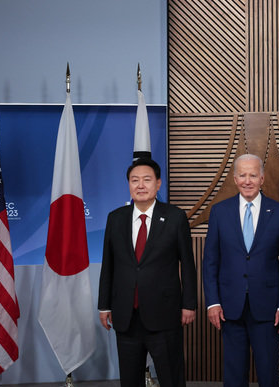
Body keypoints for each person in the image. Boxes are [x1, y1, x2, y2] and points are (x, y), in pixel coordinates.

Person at [98, 157, 196, 387]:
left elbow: (188, 264)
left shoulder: (175, 217)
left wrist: (188, 304)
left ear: (158, 184)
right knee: (130, 381)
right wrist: (104, 305)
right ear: (129, 185)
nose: (140, 185)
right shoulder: (116, 218)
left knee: (171, 379)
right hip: (126, 316)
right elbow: (108, 265)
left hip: (165, 315)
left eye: (146, 180)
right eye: (135, 180)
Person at [203, 153, 279, 387]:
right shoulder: (219, 212)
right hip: (229, 307)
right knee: (234, 375)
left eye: (253, 175)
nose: (247, 180)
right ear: (234, 178)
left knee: (268, 373)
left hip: (268, 308)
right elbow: (210, 261)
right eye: (242, 175)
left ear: (262, 178)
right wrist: (212, 302)